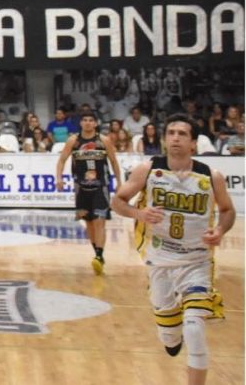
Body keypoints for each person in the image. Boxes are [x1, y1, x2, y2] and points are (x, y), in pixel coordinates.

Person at [112, 114, 234, 385]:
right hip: (160, 262)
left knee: (194, 329)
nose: (175, 137)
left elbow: (227, 210)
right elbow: (117, 201)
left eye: (182, 133)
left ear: (193, 143)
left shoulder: (211, 176)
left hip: (197, 262)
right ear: (165, 139)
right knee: (170, 337)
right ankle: (171, 335)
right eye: (171, 132)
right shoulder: (148, 170)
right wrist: (139, 213)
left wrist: (220, 230)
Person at [55, 112, 122, 274]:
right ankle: (96, 251)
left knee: (100, 220)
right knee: (89, 222)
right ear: (81, 123)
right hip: (81, 187)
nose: (87, 123)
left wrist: (120, 182)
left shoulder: (103, 140)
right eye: (84, 120)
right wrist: (59, 178)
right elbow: (62, 160)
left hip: (101, 186)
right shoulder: (73, 141)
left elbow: (113, 162)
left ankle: (99, 255)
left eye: (91, 120)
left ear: (95, 123)